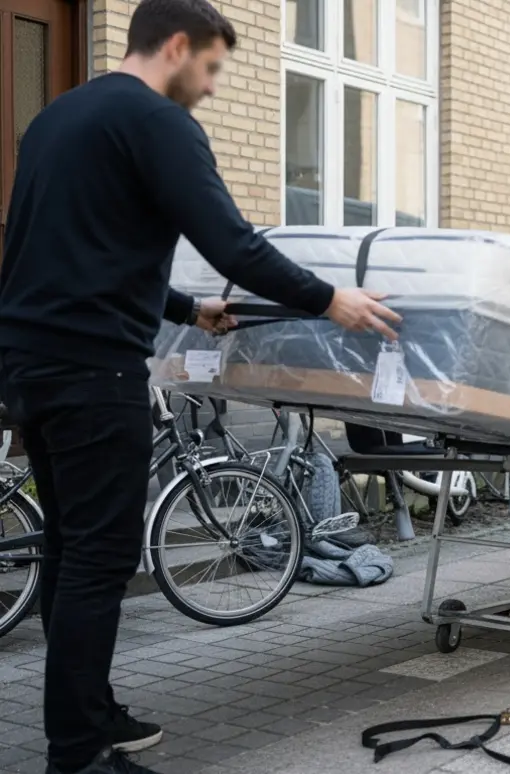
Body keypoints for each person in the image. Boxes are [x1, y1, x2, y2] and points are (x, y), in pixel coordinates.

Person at [0, 2, 401, 773]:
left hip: (30, 366)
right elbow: (234, 242)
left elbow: (77, 249)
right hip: (93, 370)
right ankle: (78, 755)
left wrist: (186, 308)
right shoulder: (157, 121)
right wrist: (332, 299)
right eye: (211, 68)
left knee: (69, 548)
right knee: (98, 559)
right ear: (177, 46)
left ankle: (91, 714)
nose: (212, 88)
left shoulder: (59, 120)